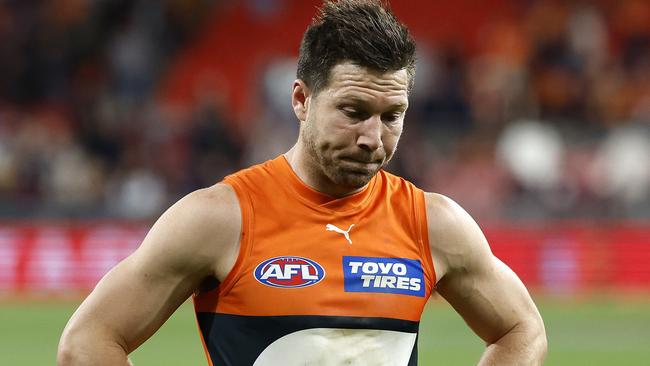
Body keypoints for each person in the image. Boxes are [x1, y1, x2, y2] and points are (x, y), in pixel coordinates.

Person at [57, 1, 547, 365]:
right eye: (353, 112)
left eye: (392, 115)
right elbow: (88, 341)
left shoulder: (434, 223)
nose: (372, 139)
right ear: (301, 99)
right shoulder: (220, 218)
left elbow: (521, 329)